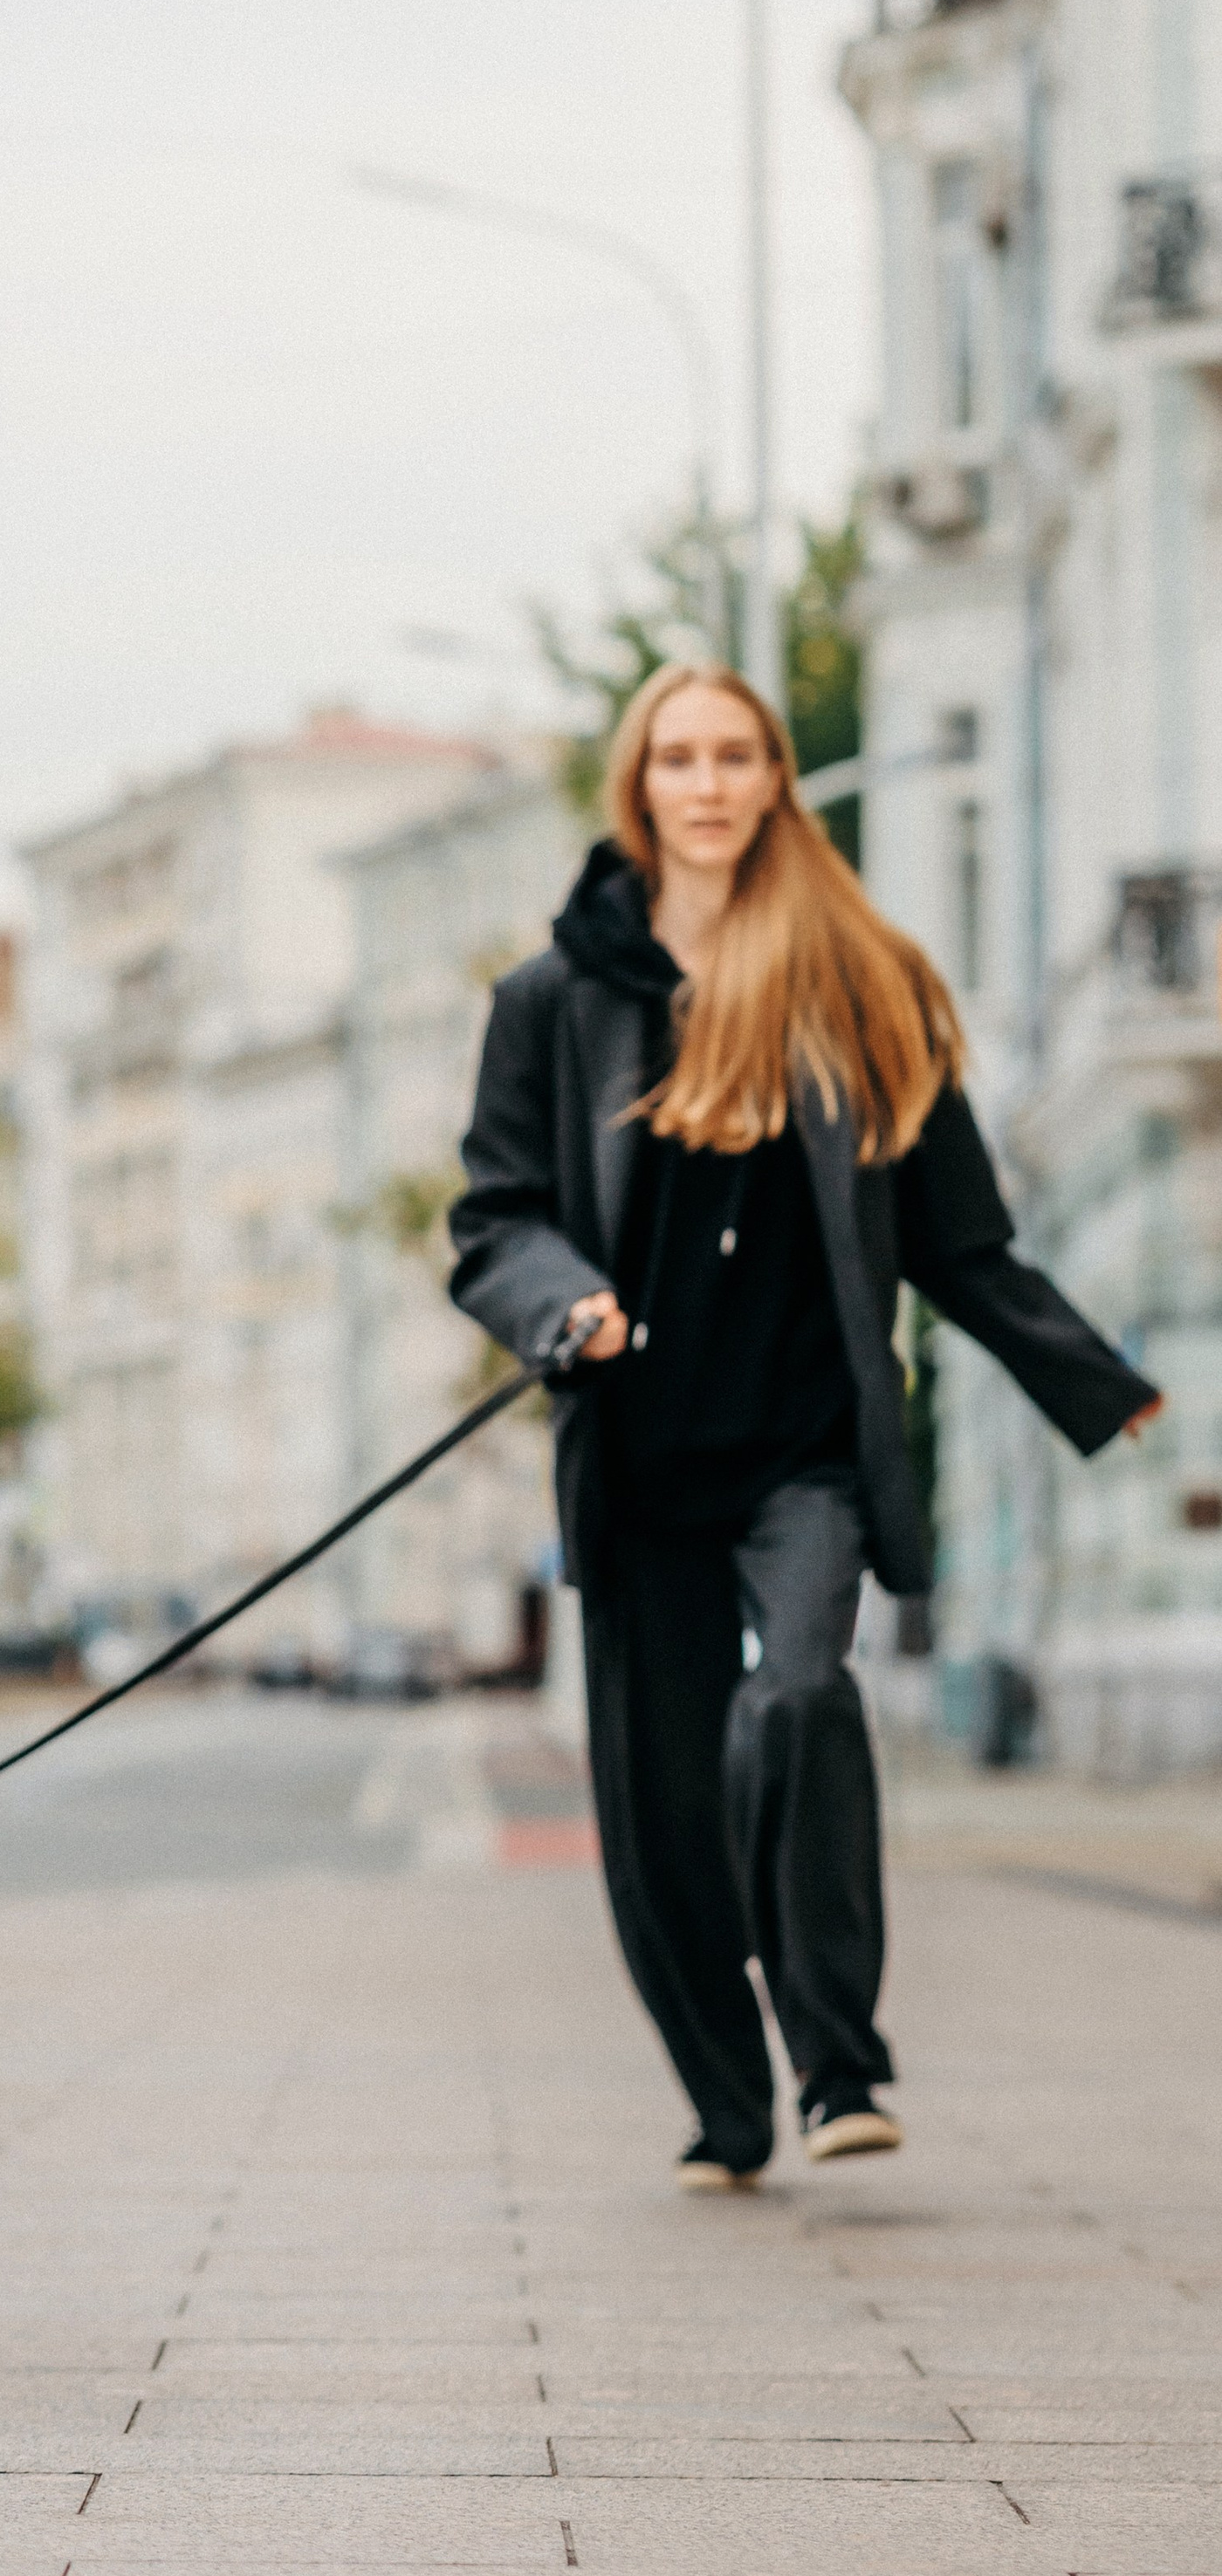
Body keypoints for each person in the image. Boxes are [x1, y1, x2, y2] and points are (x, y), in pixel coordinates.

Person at [448, 661, 1159, 2189]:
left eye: (736, 757)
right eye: (677, 760)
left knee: (802, 1704)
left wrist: (1101, 1387)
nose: (706, 785)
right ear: (638, 788)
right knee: (661, 1810)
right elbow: (493, 1217)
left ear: (776, 779)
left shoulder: (863, 984)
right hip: (639, 1461)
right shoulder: (557, 1003)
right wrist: (561, 1301)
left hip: (805, 1451)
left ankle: (840, 2065)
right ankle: (726, 2103)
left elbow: (962, 1244)